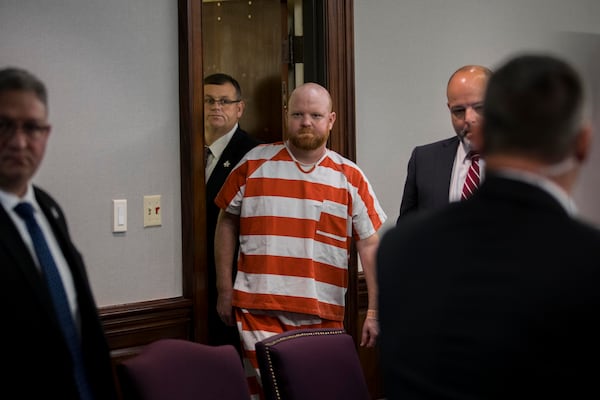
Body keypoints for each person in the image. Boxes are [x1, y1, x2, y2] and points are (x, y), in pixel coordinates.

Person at [377, 53, 600, 399]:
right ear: (584, 143)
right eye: (458, 110)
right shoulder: (587, 261)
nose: (468, 119)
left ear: (485, 137)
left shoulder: (396, 247)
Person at [214, 82, 386, 397]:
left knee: (315, 393)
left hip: (323, 313)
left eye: (315, 115)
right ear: (286, 116)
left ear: (331, 120)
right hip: (257, 309)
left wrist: (374, 310)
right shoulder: (253, 163)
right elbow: (226, 222)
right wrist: (225, 289)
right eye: (298, 114)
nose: (306, 122)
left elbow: (370, 244)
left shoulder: (350, 177)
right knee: (265, 395)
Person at [0, 67, 118, 399]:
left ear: (46, 134)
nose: (19, 142)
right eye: (4, 125)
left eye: (31, 128)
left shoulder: (47, 209)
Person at [204, 73, 261, 354]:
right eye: (209, 100)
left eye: (225, 101)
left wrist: (227, 288)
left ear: (239, 108)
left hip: (233, 280)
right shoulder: (188, 148)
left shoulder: (251, 153)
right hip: (195, 276)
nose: (216, 107)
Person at [397, 65, 492, 221]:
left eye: (479, 108)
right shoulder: (424, 160)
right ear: (449, 109)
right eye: (459, 111)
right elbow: (407, 231)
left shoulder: (524, 162)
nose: (469, 118)